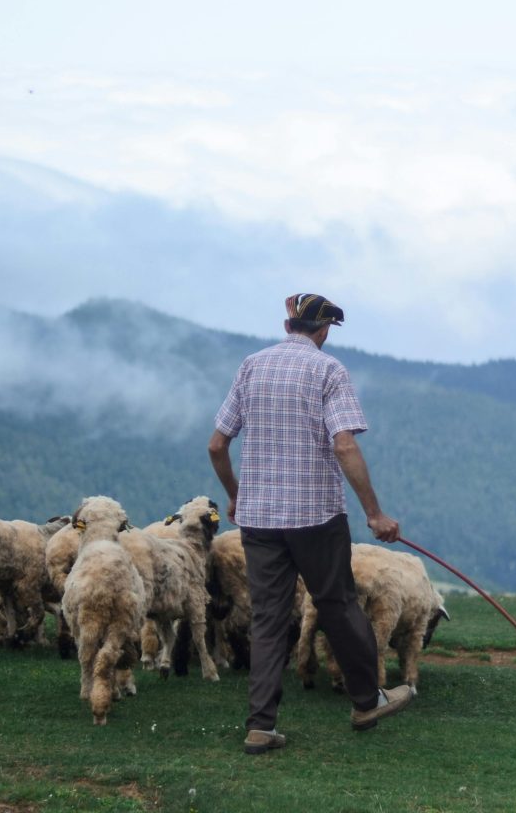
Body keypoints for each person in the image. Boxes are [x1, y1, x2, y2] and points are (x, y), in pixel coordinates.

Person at [208, 293, 413, 754]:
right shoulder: (329, 371)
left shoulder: (251, 366)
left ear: (288, 325)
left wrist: (237, 496)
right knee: (338, 605)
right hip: (315, 517)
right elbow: (344, 446)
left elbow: (217, 446)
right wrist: (374, 514)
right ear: (322, 332)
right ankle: (366, 702)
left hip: (258, 523)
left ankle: (260, 726)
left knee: (268, 617)